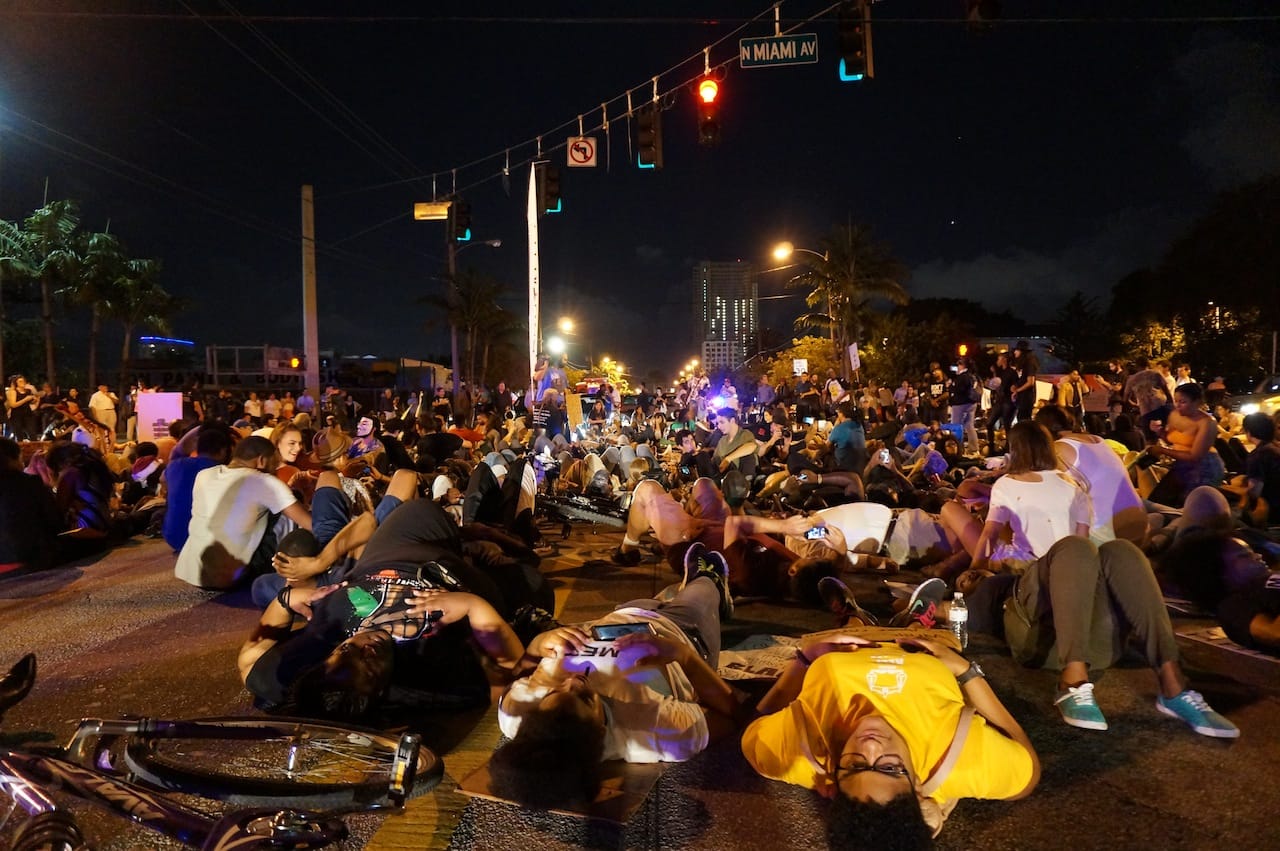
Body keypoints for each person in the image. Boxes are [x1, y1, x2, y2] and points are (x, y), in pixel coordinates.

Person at [964, 421, 1238, 737]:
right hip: (1064, 633)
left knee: (1121, 551)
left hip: (1051, 616)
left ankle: (1172, 685)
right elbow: (1080, 544)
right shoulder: (1074, 486)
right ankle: (1074, 678)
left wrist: (974, 569)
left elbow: (988, 537)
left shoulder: (1007, 485)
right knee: (1091, 547)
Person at [743, 624, 1040, 847]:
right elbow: (1029, 775)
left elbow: (753, 727)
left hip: (847, 634)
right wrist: (966, 671)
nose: (870, 746)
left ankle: (853, 613)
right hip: (927, 638)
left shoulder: (798, 755)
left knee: (850, 617)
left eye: (855, 766)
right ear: (918, 787)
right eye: (890, 767)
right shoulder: (960, 761)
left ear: (831, 785)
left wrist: (805, 660)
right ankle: (915, 615)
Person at [489, 543, 738, 808]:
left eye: (555, 691)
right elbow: (732, 713)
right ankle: (709, 582)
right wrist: (680, 654)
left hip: (625, 612)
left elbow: (520, 672)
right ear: (601, 728)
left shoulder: (517, 714)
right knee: (704, 583)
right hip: (686, 630)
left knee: (665, 594)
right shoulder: (655, 731)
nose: (573, 682)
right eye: (586, 698)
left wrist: (538, 643)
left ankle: (675, 591)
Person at [238, 499, 538, 718]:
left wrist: (284, 602)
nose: (365, 646)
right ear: (382, 691)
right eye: (369, 665)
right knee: (532, 581)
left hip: (390, 551)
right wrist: (472, 605)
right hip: (457, 575)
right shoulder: (428, 682)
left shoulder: (305, 670)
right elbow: (511, 673)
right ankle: (489, 542)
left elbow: (249, 661)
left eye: (347, 650)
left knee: (419, 508)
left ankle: (469, 539)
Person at [175, 435, 312, 590]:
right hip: (232, 577)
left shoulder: (204, 475)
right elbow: (310, 524)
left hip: (191, 573)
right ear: (262, 460)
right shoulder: (265, 481)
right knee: (288, 509)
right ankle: (291, 567)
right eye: (274, 462)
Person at [1145, 382, 1225, 508]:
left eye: (1183, 402)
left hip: (1204, 467)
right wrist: (1159, 431)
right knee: (1158, 501)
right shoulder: (1174, 415)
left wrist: (1162, 450)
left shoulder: (1207, 423)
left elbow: (1195, 456)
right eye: (1176, 401)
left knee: (1189, 506)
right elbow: (1171, 440)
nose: (1177, 405)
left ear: (1197, 402)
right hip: (1181, 464)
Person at [162, 423, 235, 552]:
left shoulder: (175, 465)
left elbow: (164, 478)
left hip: (173, 537)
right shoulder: (224, 473)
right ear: (224, 450)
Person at [0, 437, 63, 576]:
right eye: (21, 458)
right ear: (12, 459)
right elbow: (55, 521)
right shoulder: (29, 483)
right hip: (30, 560)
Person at [948, 357, 981, 455]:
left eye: (958, 365)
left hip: (960, 404)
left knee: (956, 427)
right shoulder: (972, 376)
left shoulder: (962, 377)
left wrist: (951, 385)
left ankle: (958, 449)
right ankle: (974, 449)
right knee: (969, 425)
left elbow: (958, 390)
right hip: (971, 404)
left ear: (962, 366)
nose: (957, 367)